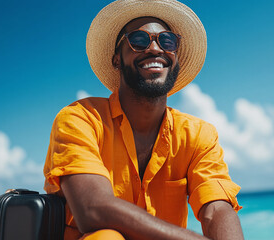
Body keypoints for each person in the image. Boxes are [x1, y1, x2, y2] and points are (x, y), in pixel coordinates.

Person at [43, 0, 244, 239]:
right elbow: (92, 209)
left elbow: (217, 209)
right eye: (139, 40)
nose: (155, 49)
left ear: (176, 58)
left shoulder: (199, 135)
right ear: (117, 59)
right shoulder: (80, 119)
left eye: (167, 41)